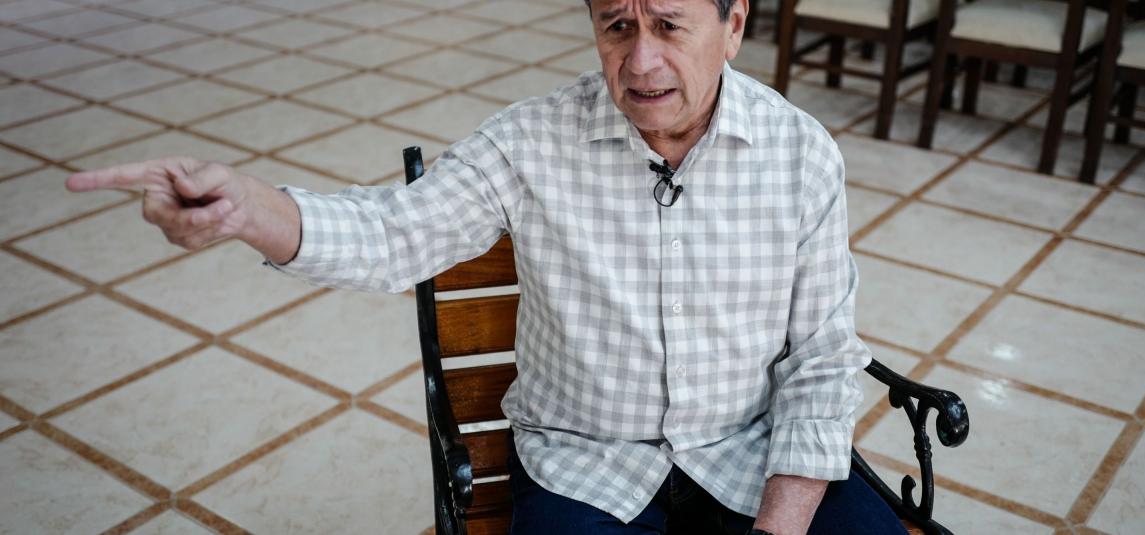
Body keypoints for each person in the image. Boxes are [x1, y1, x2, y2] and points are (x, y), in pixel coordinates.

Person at [66, 1, 905, 533]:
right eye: (617, 26)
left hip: (751, 451)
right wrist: (248, 207)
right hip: (587, 467)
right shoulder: (530, 140)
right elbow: (393, 233)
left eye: (669, 25)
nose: (641, 60)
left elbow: (822, 357)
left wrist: (778, 526)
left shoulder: (799, 153)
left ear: (734, 23)